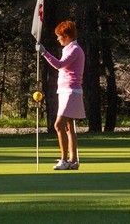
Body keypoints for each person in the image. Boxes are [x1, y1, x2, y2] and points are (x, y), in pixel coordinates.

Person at [37, 19, 85, 170]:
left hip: (71, 90)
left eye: (59, 36)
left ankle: (64, 160)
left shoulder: (75, 49)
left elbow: (59, 64)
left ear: (67, 35)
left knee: (58, 125)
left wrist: (44, 52)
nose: (58, 39)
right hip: (64, 90)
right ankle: (73, 160)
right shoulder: (68, 48)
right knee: (68, 127)